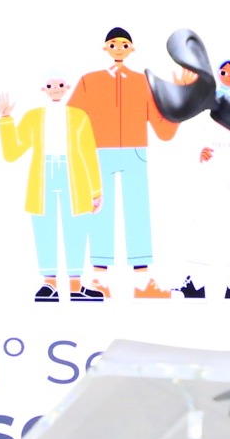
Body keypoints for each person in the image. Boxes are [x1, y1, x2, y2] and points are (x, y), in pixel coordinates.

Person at [68, 27, 180, 298]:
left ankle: (142, 282)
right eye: (113, 43)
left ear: (132, 49)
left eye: (124, 44)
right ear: (105, 48)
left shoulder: (143, 82)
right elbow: (72, 121)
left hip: (135, 152)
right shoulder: (88, 81)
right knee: (100, 213)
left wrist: (178, 102)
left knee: (137, 213)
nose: (119, 48)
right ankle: (99, 280)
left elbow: (162, 126)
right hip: (99, 152)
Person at [0, 78, 101, 302]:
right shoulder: (33, 117)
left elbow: (89, 153)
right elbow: (13, 152)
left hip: (75, 177)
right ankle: (49, 284)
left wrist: (95, 189)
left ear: (68, 88)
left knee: (76, 228)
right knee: (44, 227)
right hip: (43, 177)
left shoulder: (79, 116)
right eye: (51, 85)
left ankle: (75, 286)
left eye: (61, 85)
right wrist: (6, 120)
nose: (56, 90)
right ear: (43, 88)